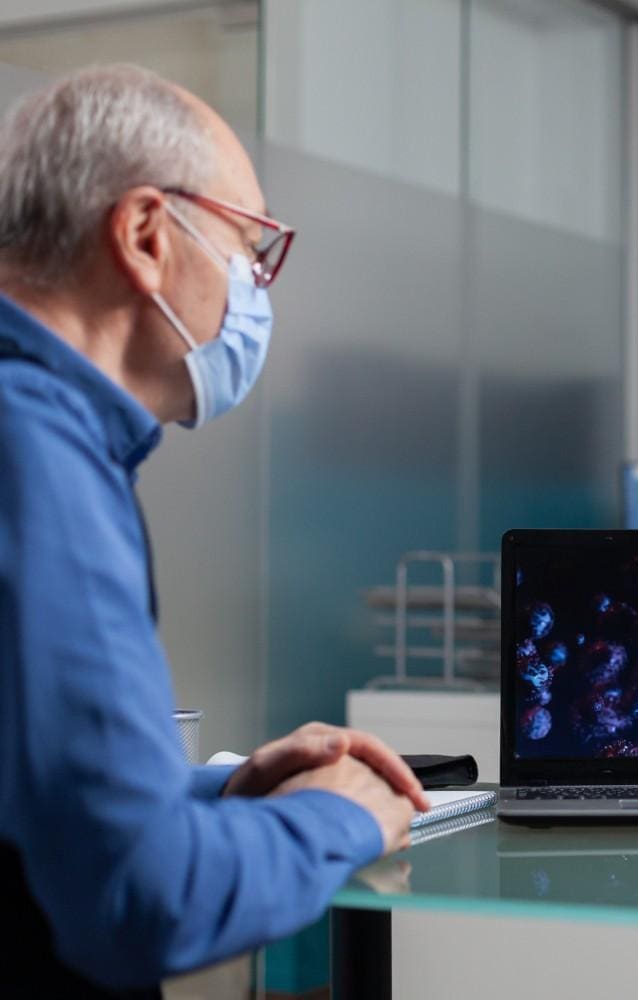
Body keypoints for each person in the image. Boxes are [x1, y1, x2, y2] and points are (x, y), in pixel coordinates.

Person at [0, 65, 430, 995]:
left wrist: (214, 789)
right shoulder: (36, 456)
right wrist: (339, 816)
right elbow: (144, 901)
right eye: (249, 248)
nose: (255, 290)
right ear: (147, 234)